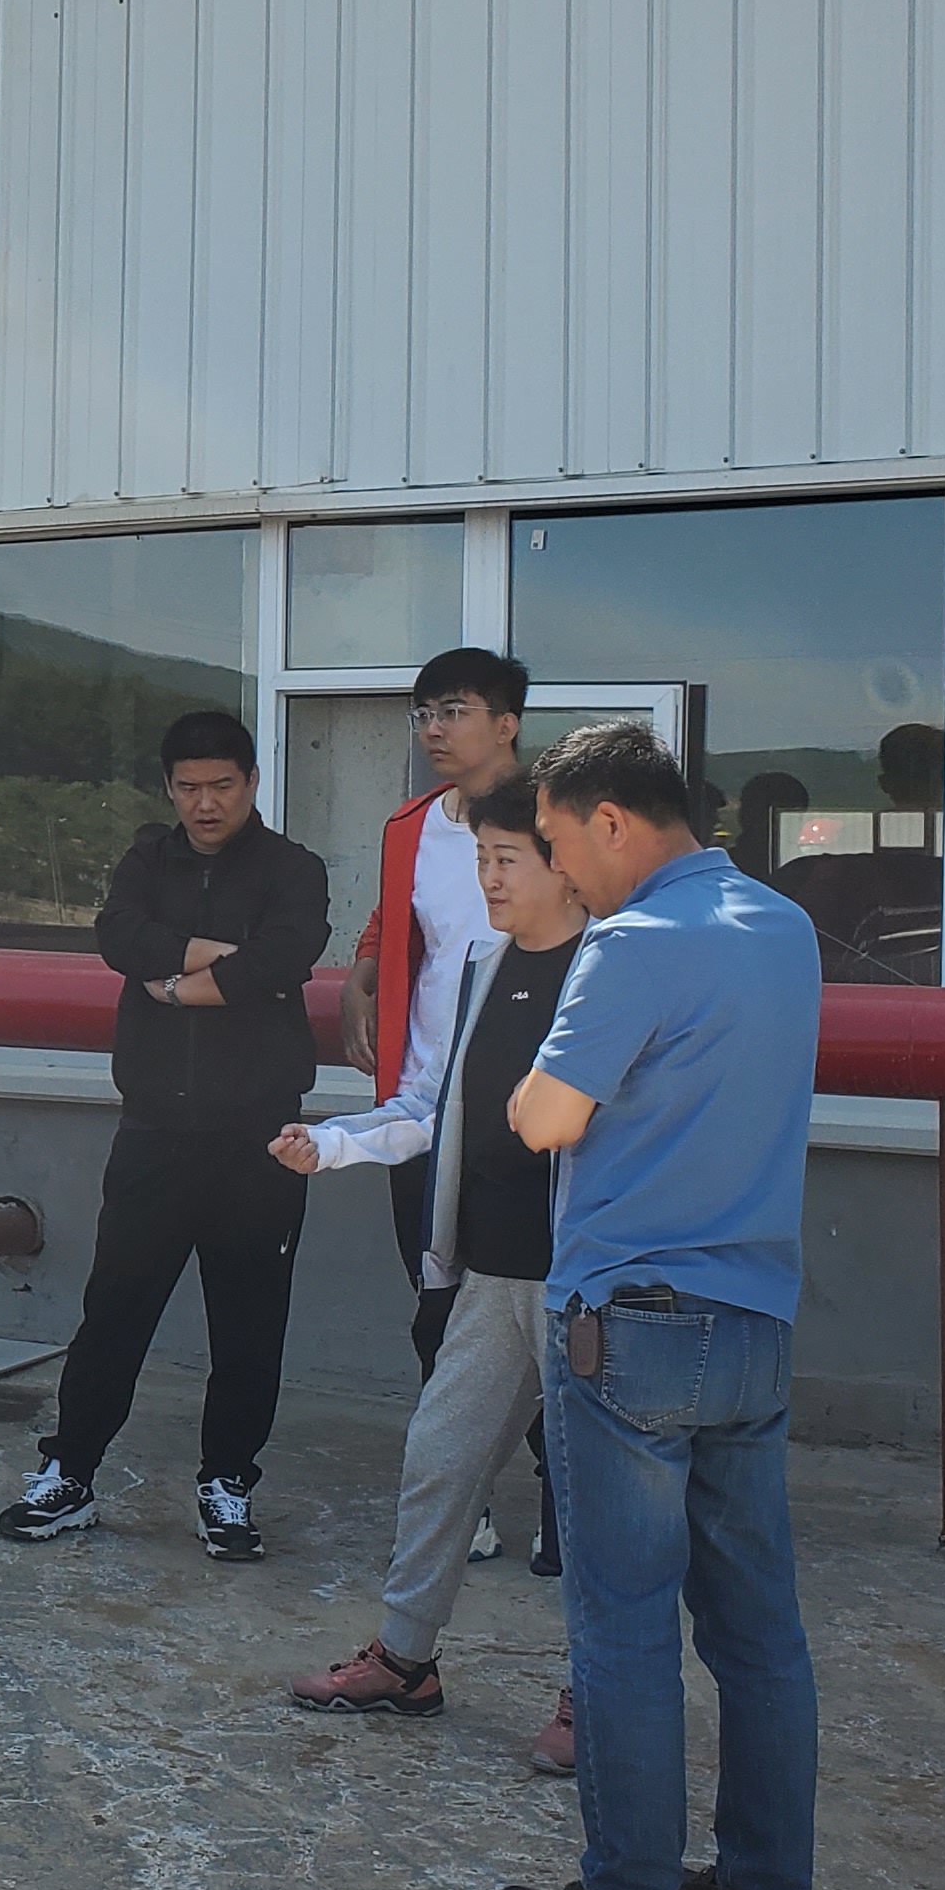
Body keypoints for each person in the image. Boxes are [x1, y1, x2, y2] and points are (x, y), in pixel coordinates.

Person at [489, 718, 821, 1890]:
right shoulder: (783, 927)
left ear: (613, 822)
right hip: (755, 1320)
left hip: (629, 1327)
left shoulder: (632, 944)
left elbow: (544, 1118)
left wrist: (529, 1087)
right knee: (758, 1630)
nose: (561, 872)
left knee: (622, 1627)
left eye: (560, 844)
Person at [274, 778, 583, 1772]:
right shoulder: (485, 968)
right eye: (479, 858)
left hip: (587, 1282)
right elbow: (432, 1107)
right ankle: (406, 1661)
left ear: (566, 864)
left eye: (507, 860)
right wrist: (335, 1144)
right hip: (492, 1274)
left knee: (596, 1499)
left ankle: (601, 1692)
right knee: (441, 1458)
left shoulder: (612, 970)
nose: (487, 879)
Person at [0, 711, 331, 1563]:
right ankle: (70, 1472)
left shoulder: (293, 868)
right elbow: (120, 937)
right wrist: (219, 955)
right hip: (154, 1129)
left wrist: (177, 983)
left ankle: (228, 1484)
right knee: (115, 1309)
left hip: (259, 1137)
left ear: (252, 783)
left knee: (249, 1322)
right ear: (169, 788)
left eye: (222, 786)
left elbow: (284, 958)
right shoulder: (148, 858)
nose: (205, 803)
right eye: (188, 787)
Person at [339, 647, 548, 1573]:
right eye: (424, 712)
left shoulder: (558, 820)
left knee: (541, 1318)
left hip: (533, 1112)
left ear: (507, 722)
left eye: (454, 710)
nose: (434, 728)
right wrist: (360, 975)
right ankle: (469, 1504)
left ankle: (568, 1502)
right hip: (425, 1102)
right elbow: (398, 922)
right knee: (437, 1309)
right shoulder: (411, 826)